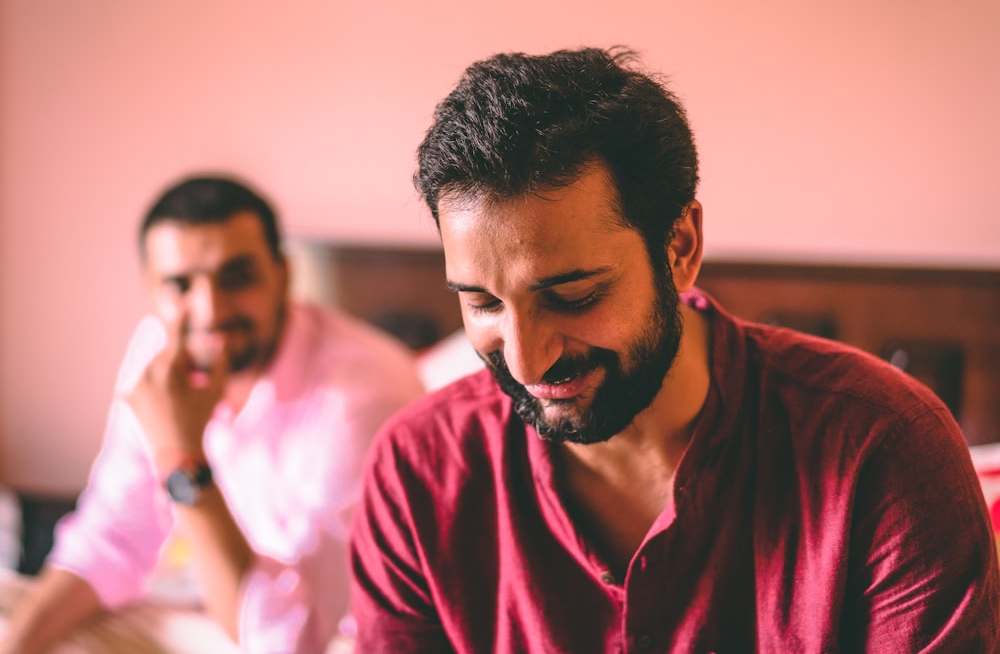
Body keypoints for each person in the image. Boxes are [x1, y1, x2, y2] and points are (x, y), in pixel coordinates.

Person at [350, 47, 1000, 652]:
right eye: (484, 303)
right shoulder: (416, 475)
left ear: (681, 246)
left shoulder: (882, 449)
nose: (525, 361)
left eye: (573, 295)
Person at [0, 175, 425, 654]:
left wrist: (180, 457)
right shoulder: (156, 352)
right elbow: (114, 534)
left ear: (283, 273)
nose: (209, 311)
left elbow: (293, 638)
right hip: (228, 612)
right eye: (179, 285)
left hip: (341, 637)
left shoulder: (361, 394)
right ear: (149, 289)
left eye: (236, 278)